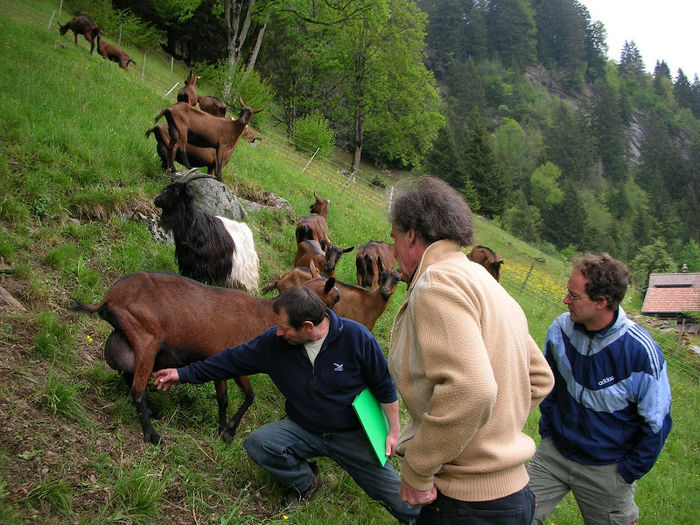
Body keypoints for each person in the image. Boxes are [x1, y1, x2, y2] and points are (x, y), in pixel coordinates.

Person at [153, 286, 419, 524]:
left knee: (401, 502)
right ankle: (307, 481)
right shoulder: (275, 343)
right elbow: (230, 360)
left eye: (284, 327)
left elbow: (384, 386)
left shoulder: (356, 338)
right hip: (303, 427)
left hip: (353, 434)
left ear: (307, 327)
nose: (278, 332)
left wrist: (393, 431)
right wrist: (182, 374)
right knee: (259, 444)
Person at [387, 176, 555, 524]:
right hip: (513, 497)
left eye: (394, 238)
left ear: (412, 235)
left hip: (464, 504)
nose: (392, 251)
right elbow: (539, 378)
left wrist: (418, 472)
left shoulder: (437, 284)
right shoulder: (484, 282)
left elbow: (472, 391)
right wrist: (491, 431)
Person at [527, 253, 673, 524]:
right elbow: (549, 385)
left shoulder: (641, 352)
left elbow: (657, 422)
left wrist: (626, 473)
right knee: (515, 516)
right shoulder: (560, 329)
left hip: (607, 470)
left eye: (573, 295)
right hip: (554, 455)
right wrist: (549, 434)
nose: (565, 300)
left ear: (601, 303)